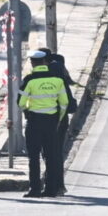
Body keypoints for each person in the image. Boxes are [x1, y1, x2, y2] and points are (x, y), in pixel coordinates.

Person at [19, 50, 69, 198]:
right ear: (45, 62)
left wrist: (28, 111)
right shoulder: (57, 80)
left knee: (33, 157)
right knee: (51, 156)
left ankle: (34, 189)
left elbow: (21, 103)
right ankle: (51, 189)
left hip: (34, 122)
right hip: (52, 122)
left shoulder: (29, 80)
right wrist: (58, 118)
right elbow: (64, 103)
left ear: (32, 63)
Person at [36, 48, 77, 195]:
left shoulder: (47, 75)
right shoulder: (59, 72)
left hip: (51, 120)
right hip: (60, 120)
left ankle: (52, 186)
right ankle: (57, 185)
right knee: (55, 153)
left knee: (50, 154)